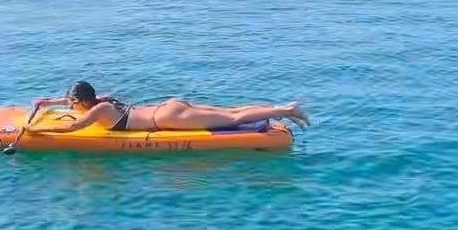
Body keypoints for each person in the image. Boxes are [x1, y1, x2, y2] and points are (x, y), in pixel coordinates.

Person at [24, 81, 309, 133]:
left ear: (79, 101)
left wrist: (36, 129)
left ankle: (287, 111)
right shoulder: (101, 101)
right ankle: (284, 108)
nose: (69, 104)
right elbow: (76, 102)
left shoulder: (96, 111)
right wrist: (49, 102)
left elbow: (74, 126)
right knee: (231, 110)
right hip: (169, 107)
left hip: (167, 119)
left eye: (70, 102)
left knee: (233, 120)